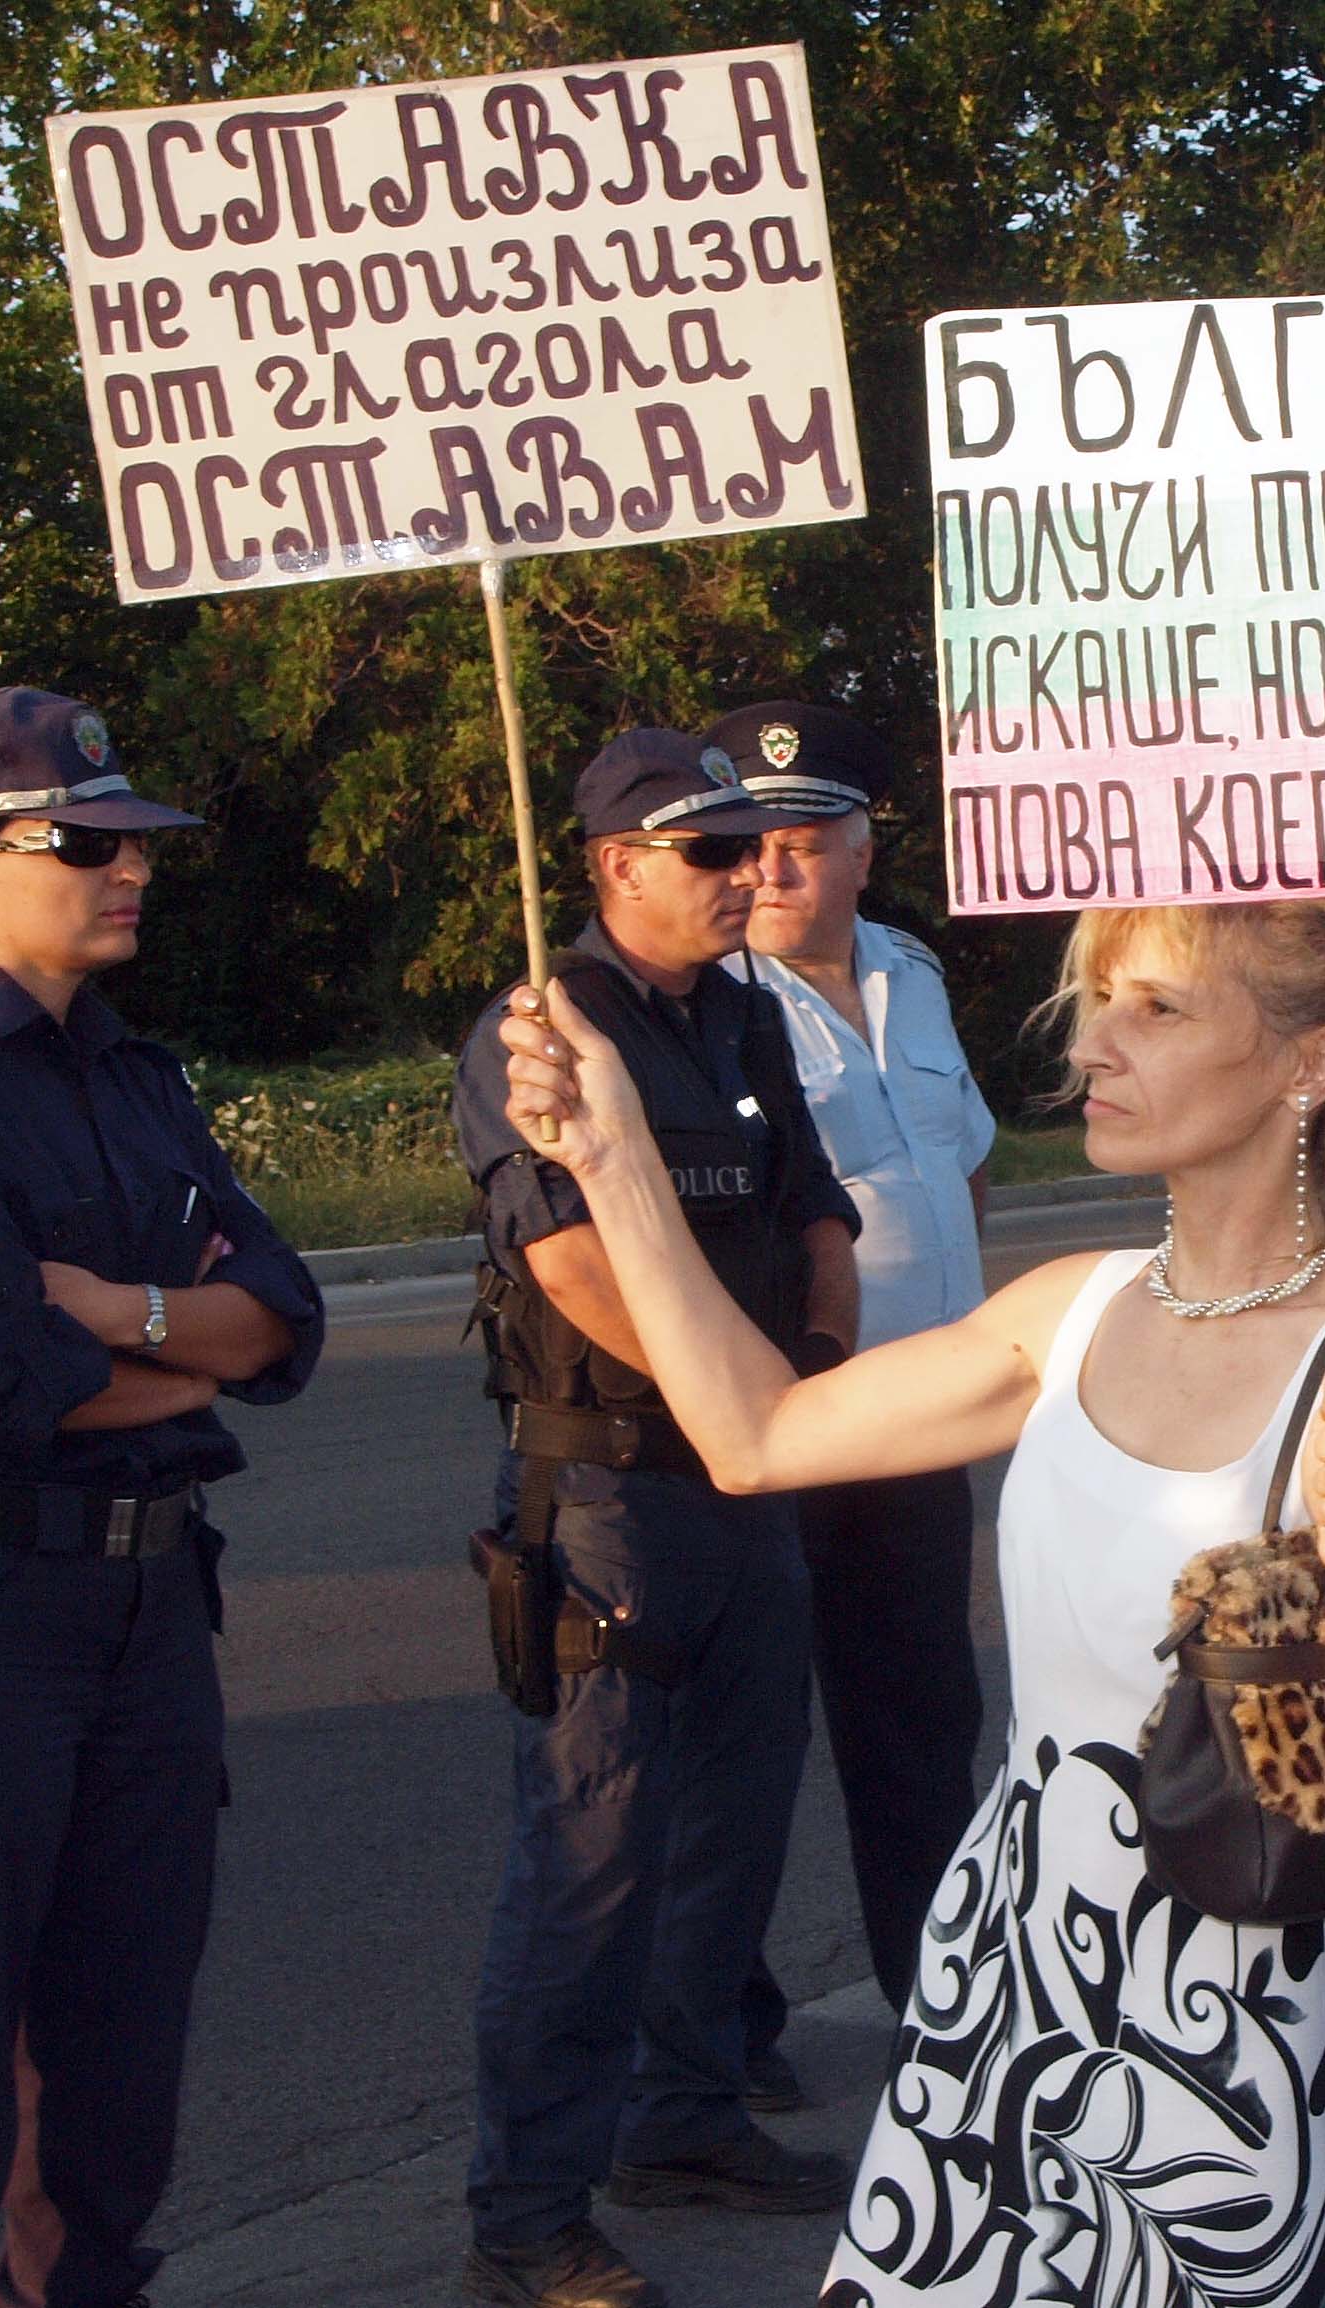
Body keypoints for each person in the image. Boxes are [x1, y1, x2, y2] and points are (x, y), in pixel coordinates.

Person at [493, 896, 1325, 2308]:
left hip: (1207, 2047)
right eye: (1098, 1000)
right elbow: (756, 1437)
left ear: (1312, 1063)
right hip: (990, 1988)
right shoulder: (1068, 1309)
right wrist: (610, 1158)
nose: (1094, 1042)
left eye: (1155, 1008)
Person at [0, 687, 326, 2308]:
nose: (127, 870)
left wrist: (123, 1314)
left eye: (133, 841)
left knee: (111, 2070)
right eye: (80, 843)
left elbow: (287, 1320)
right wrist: (185, 1343)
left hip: (149, 1610)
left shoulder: (138, 1079)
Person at [454, 728, 865, 2308]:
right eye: (711, 852)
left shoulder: (748, 1017)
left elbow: (816, 1215)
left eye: (758, 845)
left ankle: (685, 2117)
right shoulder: (543, 1035)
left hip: (757, 1477)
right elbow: (570, 1264)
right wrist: (731, 1401)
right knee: (593, 1855)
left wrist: (809, 1389)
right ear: (616, 866)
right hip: (617, 1491)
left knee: (734, 1826)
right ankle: (525, 2212)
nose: (750, 872)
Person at [708, 702, 996, 2095]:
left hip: (921, 1423)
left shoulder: (913, 974)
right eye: (750, 840)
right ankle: (724, 2033)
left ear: (862, 846)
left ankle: (938, 2000)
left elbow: (969, 1162)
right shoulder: (704, 1008)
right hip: (782, 1428)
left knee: (921, 1725)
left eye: (805, 837)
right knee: (745, 1743)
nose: (772, 866)